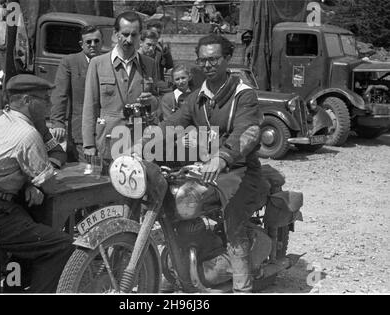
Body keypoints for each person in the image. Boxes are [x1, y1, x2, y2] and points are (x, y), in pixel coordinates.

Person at [158, 34, 264, 292]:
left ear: (228, 59)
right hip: (206, 171)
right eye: (203, 60)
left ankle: (242, 286)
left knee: (233, 217)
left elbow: (247, 132)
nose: (208, 65)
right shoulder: (196, 98)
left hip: (241, 171)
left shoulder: (244, 95)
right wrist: (139, 144)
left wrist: (223, 157)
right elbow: (171, 125)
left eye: (214, 59)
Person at [0, 74, 74, 293]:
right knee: (62, 244)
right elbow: (50, 187)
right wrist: (37, 183)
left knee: (30, 227)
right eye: (45, 98)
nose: (50, 103)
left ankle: (15, 288)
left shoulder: (2, 119)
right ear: (27, 100)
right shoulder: (27, 133)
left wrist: (31, 182)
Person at [82, 11, 159, 162]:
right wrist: (89, 144)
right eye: (124, 34)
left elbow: (157, 103)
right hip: (109, 143)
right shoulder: (98, 64)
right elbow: (90, 106)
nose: (129, 40)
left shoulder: (149, 64)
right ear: (115, 34)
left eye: (134, 35)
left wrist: (152, 101)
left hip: (139, 144)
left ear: (139, 36)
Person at [50, 25, 103, 162]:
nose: (93, 45)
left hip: (104, 130)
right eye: (88, 42)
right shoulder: (70, 62)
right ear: (81, 44)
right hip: (79, 130)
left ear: (102, 42)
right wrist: (58, 122)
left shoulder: (108, 63)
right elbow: (60, 94)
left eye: (96, 41)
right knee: (84, 170)